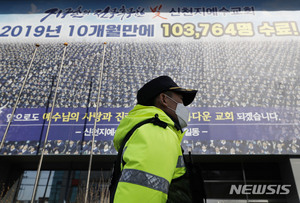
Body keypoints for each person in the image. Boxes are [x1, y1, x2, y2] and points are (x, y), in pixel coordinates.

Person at [112, 76, 199, 203]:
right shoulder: (157, 132)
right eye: (181, 100)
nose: (184, 108)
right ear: (164, 99)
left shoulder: (150, 130)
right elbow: (143, 194)